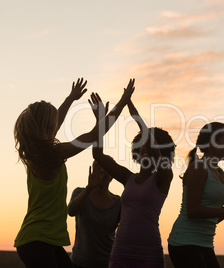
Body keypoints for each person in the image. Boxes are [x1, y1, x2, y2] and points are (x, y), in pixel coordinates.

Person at [14, 78, 135, 268]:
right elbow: (94, 135)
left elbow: (56, 122)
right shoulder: (53, 154)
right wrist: (120, 103)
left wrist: (70, 98)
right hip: (38, 240)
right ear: (45, 127)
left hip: (40, 239)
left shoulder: (35, 154)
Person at [92, 94, 176, 268]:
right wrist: (100, 121)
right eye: (141, 145)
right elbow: (98, 154)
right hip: (121, 249)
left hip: (149, 252)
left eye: (149, 143)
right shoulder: (127, 177)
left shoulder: (164, 177)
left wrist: (135, 114)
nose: (144, 147)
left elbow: (155, 150)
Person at [168, 122, 224, 268]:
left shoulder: (220, 173)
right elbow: (192, 211)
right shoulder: (198, 168)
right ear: (213, 143)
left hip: (205, 244)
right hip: (184, 242)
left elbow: (214, 218)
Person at [68, 160, 121, 268]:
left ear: (112, 176)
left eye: (106, 170)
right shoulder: (80, 192)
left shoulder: (118, 203)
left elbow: (125, 231)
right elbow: (71, 211)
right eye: (99, 169)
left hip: (106, 263)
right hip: (79, 263)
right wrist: (89, 188)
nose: (102, 172)